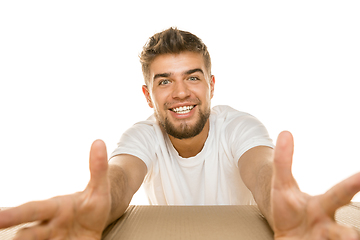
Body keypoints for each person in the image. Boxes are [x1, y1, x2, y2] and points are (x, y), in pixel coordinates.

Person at [1, 27, 360, 240]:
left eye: (192, 77)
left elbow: (263, 171)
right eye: (164, 82)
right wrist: (96, 206)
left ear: (211, 85)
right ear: (147, 95)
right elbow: (121, 177)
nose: (181, 93)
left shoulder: (239, 126)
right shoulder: (143, 135)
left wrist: (284, 206)